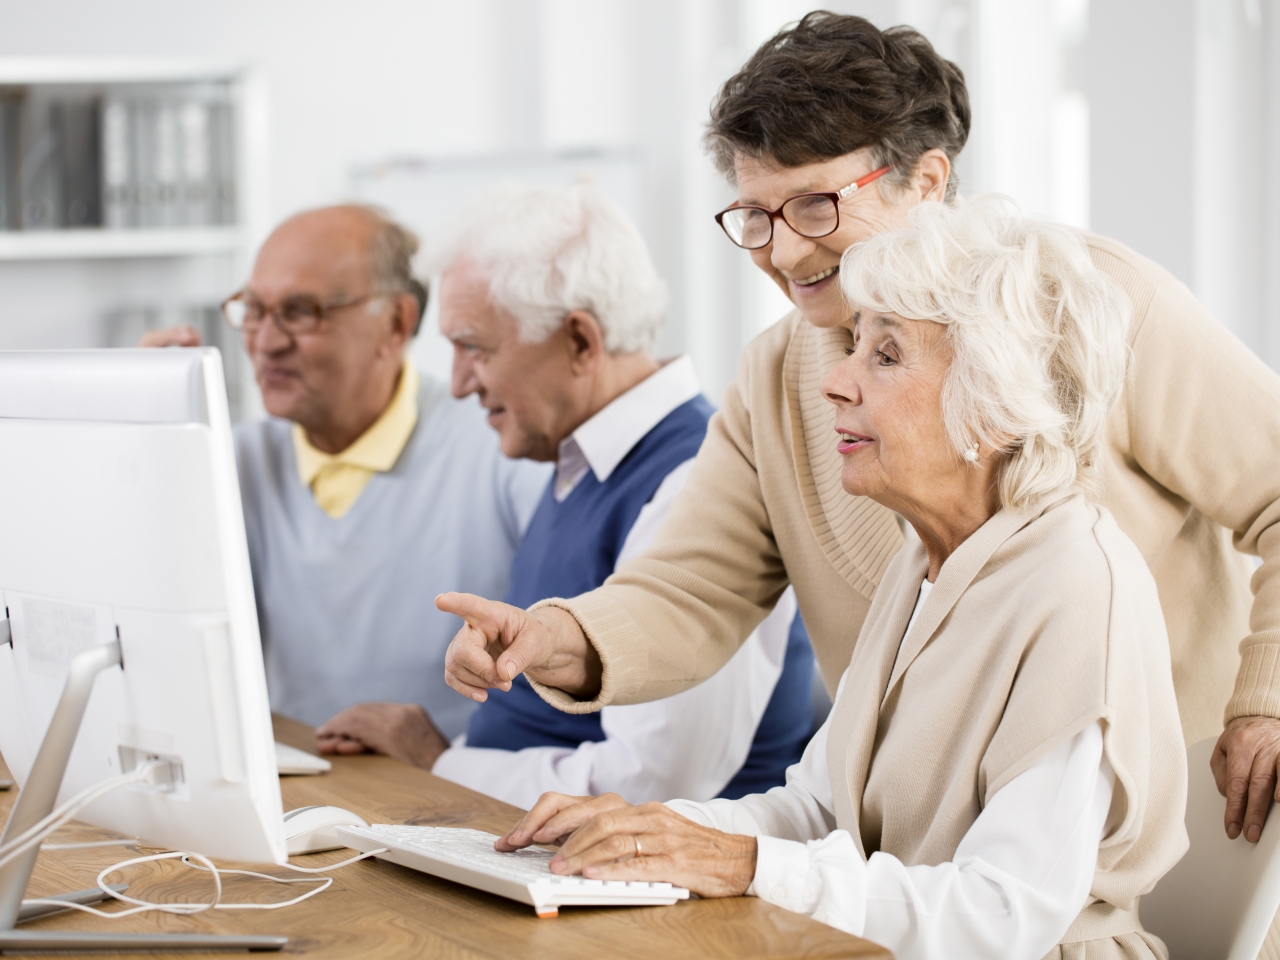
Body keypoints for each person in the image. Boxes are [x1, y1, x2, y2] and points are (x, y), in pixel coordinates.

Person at [438, 12, 1280, 844]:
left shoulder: (1094, 307)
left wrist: (1267, 700)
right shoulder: (774, 378)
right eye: (755, 217)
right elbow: (689, 592)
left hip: (1173, 816)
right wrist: (552, 636)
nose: (785, 254)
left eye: (813, 206)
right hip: (915, 864)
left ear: (928, 182)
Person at [494, 197, 1189, 959]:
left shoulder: (1077, 583)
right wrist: (650, 831)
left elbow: (1004, 912)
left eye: (885, 357)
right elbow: (820, 809)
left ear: (997, 406)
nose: (835, 382)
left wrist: (746, 865)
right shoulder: (926, 563)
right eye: (854, 345)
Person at [315, 185, 814, 807]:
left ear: (580, 341)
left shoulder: (694, 480)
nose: (462, 382)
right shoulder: (578, 461)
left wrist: (438, 762)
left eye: (475, 347)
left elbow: (646, 785)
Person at [141, 204, 548, 738]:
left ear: (396, 323)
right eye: (255, 310)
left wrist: (453, 759)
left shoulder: (502, 446)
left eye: (301, 311)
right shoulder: (229, 459)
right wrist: (145, 452)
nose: (266, 342)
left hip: (454, 794)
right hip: (292, 790)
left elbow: (567, 665)